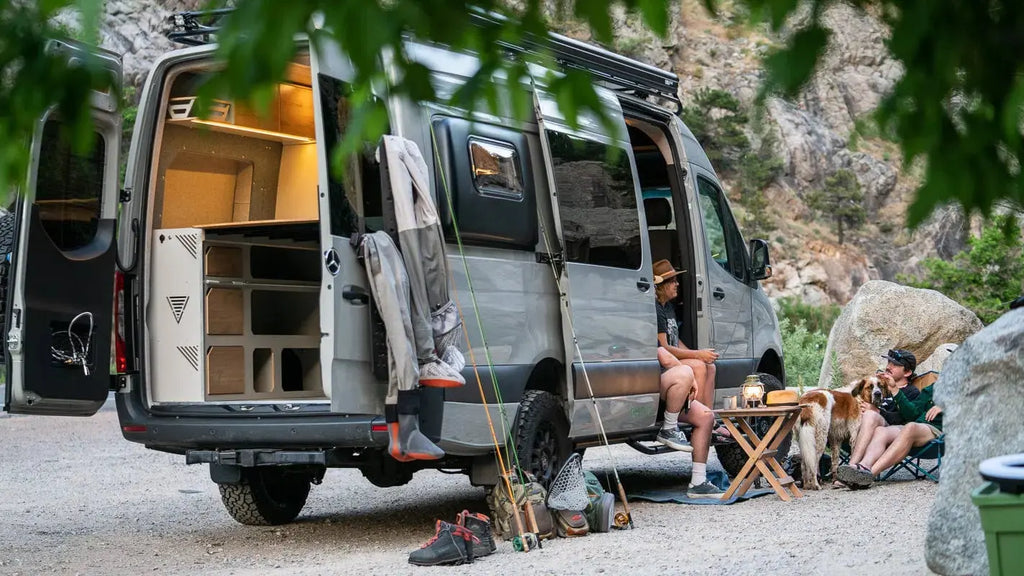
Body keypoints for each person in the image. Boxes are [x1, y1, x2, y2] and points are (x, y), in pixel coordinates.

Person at [837, 377, 943, 489]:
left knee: (911, 427)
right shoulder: (932, 388)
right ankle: (863, 467)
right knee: (881, 431)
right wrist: (894, 389)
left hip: (938, 430)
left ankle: (869, 475)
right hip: (917, 425)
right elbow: (913, 414)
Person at [657, 347, 725, 498]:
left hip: (672, 395)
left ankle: (698, 482)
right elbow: (662, 353)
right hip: (652, 392)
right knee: (685, 371)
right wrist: (690, 378)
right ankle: (668, 428)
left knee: (706, 417)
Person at [653, 259, 720, 409]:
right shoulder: (657, 309)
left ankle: (709, 414)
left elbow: (676, 341)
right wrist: (697, 355)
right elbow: (664, 347)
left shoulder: (668, 307)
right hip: (663, 364)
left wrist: (700, 355)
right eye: (673, 281)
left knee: (710, 367)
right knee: (698, 366)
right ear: (661, 286)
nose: (677, 284)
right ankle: (696, 413)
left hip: (674, 357)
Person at [847, 349, 921, 467]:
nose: (889, 367)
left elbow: (903, 418)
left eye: (895, 365)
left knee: (871, 415)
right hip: (861, 427)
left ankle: (852, 465)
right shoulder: (880, 387)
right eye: (889, 363)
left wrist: (877, 411)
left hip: (890, 430)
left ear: (907, 372)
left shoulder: (912, 392)